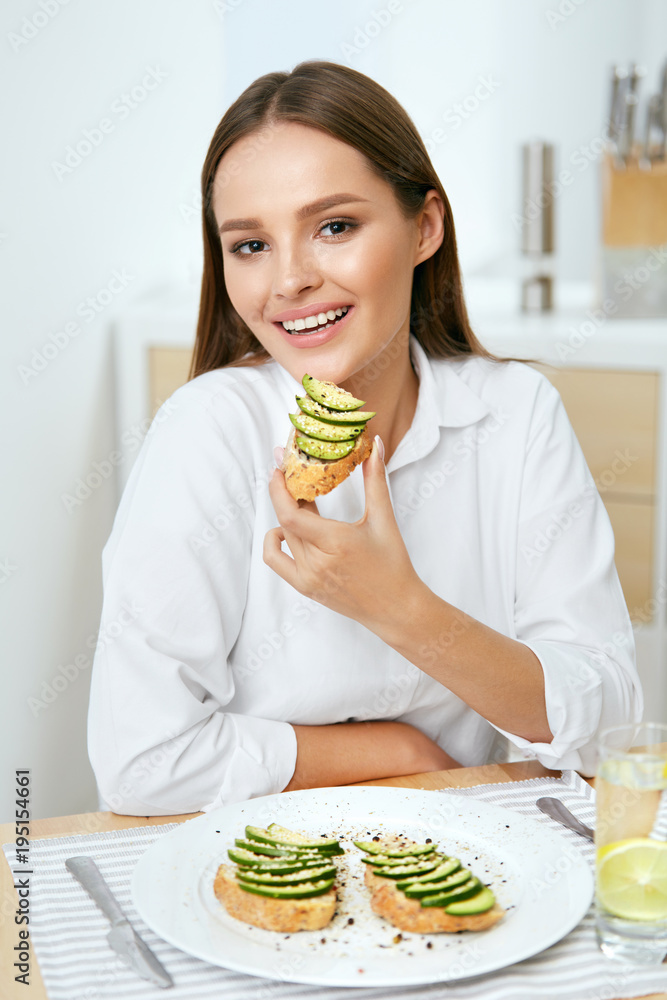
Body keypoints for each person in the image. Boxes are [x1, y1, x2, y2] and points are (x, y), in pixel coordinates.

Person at [87, 60, 642, 816]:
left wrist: (401, 608)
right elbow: (140, 760)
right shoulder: (206, 432)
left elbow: (607, 718)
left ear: (424, 227)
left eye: (334, 227)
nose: (288, 281)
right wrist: (399, 753)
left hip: (466, 860)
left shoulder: (516, 414)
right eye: (250, 245)